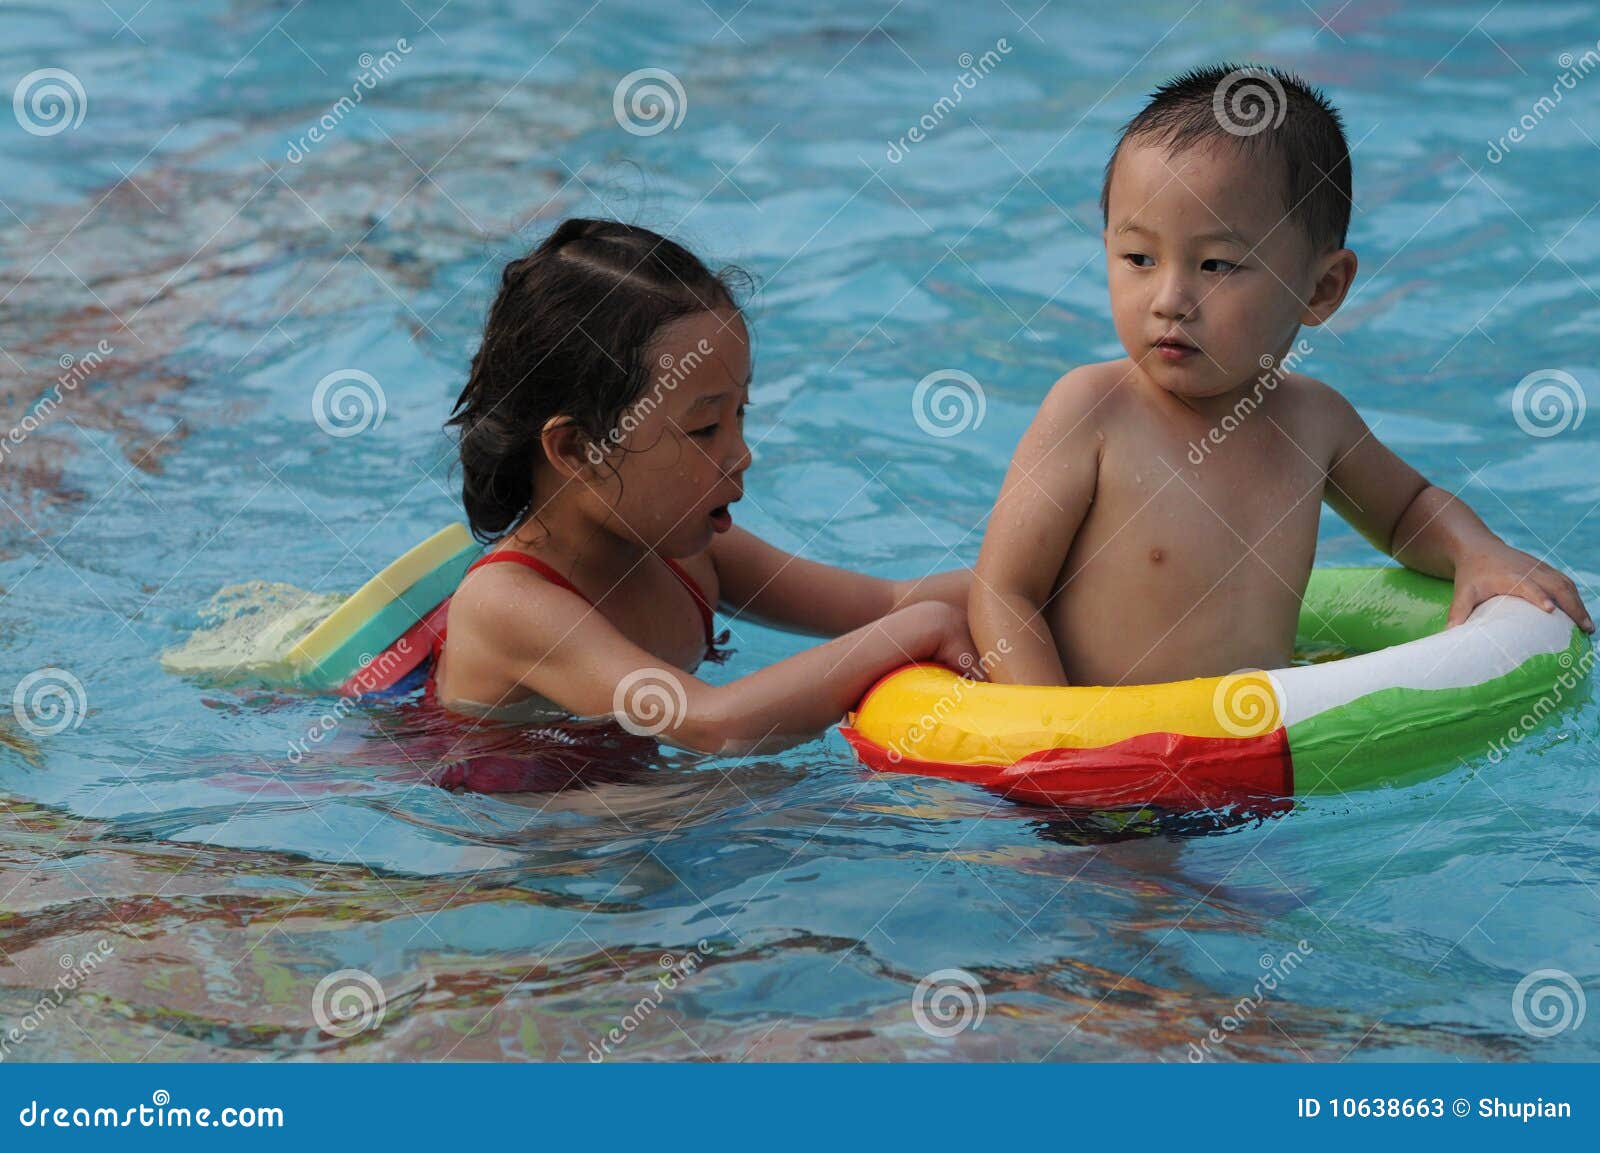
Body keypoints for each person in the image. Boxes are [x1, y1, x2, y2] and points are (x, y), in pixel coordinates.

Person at [971, 64, 1592, 687]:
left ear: (1321, 289)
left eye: (1216, 264)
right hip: (1091, 761)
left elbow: (1407, 511)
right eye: (1139, 258)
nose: (1170, 298)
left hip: (1250, 764)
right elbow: (1005, 590)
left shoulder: (1313, 422)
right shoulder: (1092, 409)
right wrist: (1057, 739)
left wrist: (1472, 549)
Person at [430, 218, 974, 755]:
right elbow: (710, 725)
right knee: (786, 804)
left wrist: (1031, 578)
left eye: (741, 414)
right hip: (527, 819)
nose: (741, 454)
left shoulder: (690, 553)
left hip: (637, 792)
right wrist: (919, 629)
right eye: (705, 428)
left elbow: (885, 601)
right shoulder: (508, 604)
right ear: (578, 450)